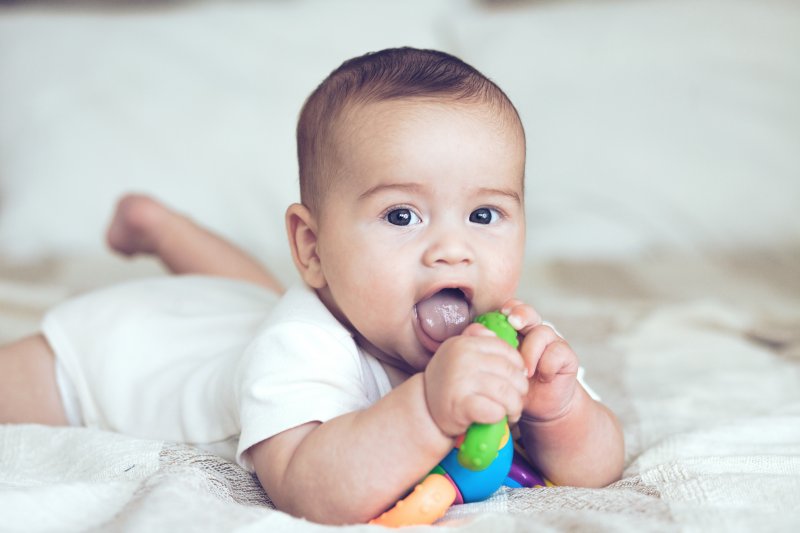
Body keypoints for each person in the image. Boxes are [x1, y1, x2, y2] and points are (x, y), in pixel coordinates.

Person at [0, 48, 624, 524]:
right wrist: (430, 408)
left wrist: (561, 412)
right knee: (272, 310)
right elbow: (309, 487)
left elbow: (598, 469)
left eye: (484, 215)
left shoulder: (512, 338)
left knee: (256, 299)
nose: (452, 249)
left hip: (236, 317)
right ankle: (163, 229)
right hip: (118, 354)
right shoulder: (298, 342)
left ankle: (162, 229)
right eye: (402, 216)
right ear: (313, 246)